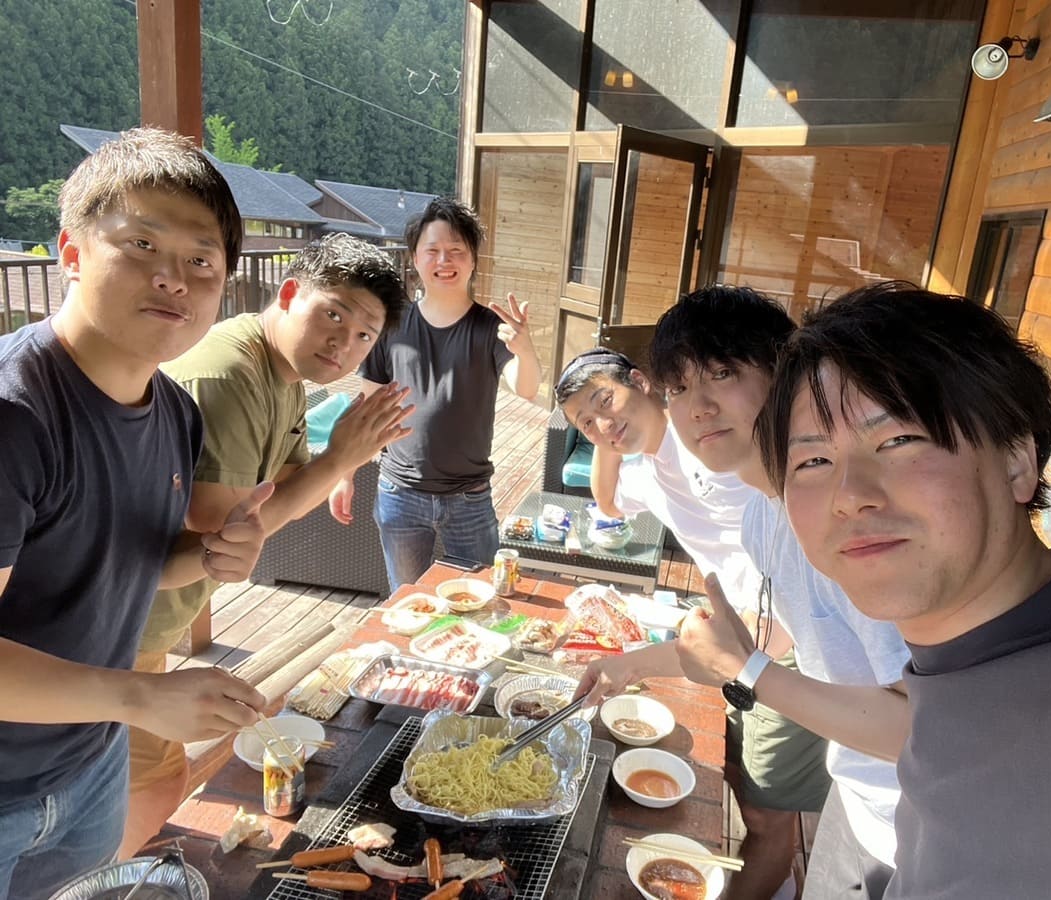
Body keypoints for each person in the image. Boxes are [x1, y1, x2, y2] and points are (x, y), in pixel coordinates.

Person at [737, 281, 1051, 898]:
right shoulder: (957, 666)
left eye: (899, 440)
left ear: (1017, 460)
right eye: (813, 462)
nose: (849, 496)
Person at [0, 127, 270, 900]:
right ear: (71, 253)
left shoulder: (174, 413)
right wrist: (142, 697)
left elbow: (124, 565)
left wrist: (208, 556)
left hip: (89, 765)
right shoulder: (16, 417)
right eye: (142, 244)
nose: (173, 279)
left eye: (201, 261)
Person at [574, 286, 910, 900]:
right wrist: (634, 664)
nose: (699, 408)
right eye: (680, 388)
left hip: (919, 835)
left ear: (784, 372)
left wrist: (742, 667)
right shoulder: (763, 514)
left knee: (766, 818)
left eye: (722, 374)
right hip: (860, 806)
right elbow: (756, 642)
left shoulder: (846, 520)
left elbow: (917, 728)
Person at [119, 233, 414, 857]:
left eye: (365, 335)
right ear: (288, 293)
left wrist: (338, 465)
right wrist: (339, 459)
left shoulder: (284, 374)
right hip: (117, 625)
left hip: (147, 618)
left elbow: (285, 487)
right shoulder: (230, 373)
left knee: (140, 781)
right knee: (147, 787)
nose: (344, 343)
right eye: (333, 315)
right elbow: (227, 527)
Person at [330, 197, 542, 590]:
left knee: (479, 603)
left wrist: (525, 350)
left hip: (469, 499)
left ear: (473, 260)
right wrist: (345, 475)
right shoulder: (391, 325)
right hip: (400, 492)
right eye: (433, 251)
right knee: (408, 602)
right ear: (415, 258)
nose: (445, 261)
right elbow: (367, 408)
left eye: (456, 250)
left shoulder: (490, 328)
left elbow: (527, 389)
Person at [556, 346, 760, 606]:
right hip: (742, 612)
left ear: (639, 382)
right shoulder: (648, 473)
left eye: (606, 400)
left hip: (784, 613)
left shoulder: (710, 437)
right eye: (586, 424)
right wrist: (607, 435)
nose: (603, 425)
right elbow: (607, 503)